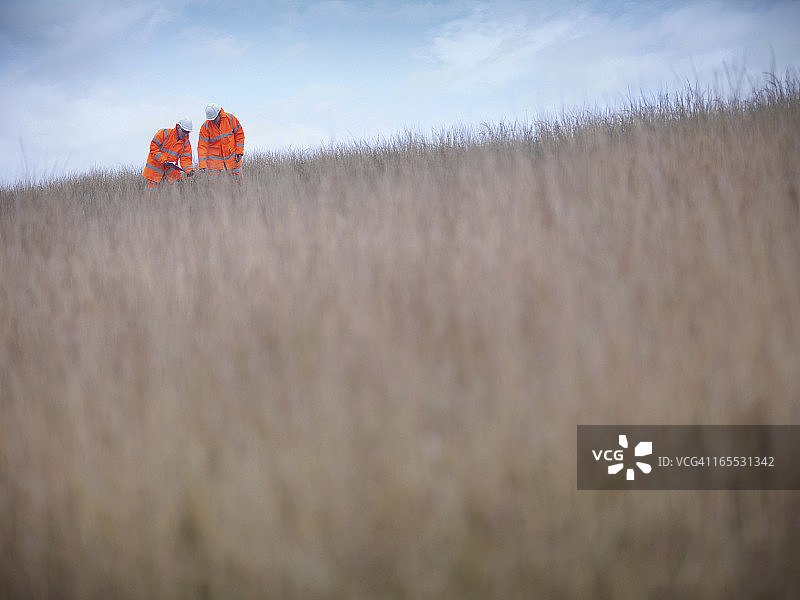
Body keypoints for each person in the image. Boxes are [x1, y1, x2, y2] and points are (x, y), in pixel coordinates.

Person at [143, 118, 195, 189]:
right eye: (184, 131)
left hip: (171, 173)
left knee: (180, 192)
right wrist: (163, 160)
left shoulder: (186, 143)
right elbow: (153, 147)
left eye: (188, 132)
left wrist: (189, 170)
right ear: (178, 127)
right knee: (153, 197)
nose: (185, 134)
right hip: (155, 173)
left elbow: (186, 159)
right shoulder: (164, 133)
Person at [198, 103, 244, 178]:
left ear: (219, 114)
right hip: (214, 160)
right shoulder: (205, 127)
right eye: (211, 120)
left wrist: (239, 152)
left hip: (232, 157)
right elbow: (202, 147)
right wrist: (202, 165)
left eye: (214, 119)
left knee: (238, 182)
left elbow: (239, 135)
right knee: (214, 185)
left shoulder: (231, 119)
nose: (213, 121)